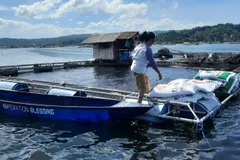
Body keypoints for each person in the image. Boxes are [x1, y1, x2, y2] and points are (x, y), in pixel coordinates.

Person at [130, 31, 162, 103]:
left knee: (146, 79)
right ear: (150, 39)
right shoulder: (147, 48)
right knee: (142, 88)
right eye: (153, 40)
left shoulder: (139, 46)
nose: (153, 42)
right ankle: (139, 102)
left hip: (136, 67)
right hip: (138, 70)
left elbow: (133, 56)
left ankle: (148, 94)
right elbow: (152, 63)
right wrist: (159, 73)